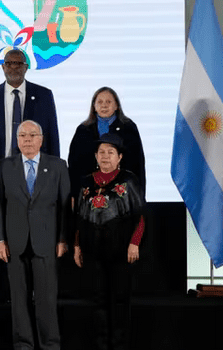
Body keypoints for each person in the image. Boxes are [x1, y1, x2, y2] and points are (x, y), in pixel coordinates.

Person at [0, 120, 70, 350]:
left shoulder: (57, 165)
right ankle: (23, 344)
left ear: (41, 138)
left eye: (32, 134)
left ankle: (50, 344)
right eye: (22, 135)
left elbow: (66, 206)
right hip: (14, 242)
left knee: (46, 299)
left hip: (46, 241)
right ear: (17, 140)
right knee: (19, 299)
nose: (27, 139)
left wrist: (63, 238)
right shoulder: (4, 166)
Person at [73, 133, 145, 350]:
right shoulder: (85, 182)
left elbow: (140, 215)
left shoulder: (129, 180)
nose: (105, 157)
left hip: (122, 251)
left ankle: (119, 345)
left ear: (119, 157)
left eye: (110, 152)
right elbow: (79, 217)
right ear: (96, 155)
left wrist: (135, 242)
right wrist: (76, 246)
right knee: (98, 301)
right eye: (101, 152)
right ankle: (101, 345)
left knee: (120, 301)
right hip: (93, 251)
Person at [0, 48, 60, 187]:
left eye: (18, 64)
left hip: (36, 174)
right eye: (9, 63)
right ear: (3, 67)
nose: (13, 67)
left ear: (26, 67)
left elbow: (52, 138)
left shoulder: (44, 96)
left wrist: (55, 175)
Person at [67, 86, 145, 197]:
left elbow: (138, 164)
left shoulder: (128, 128)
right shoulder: (83, 130)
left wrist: (139, 196)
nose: (104, 105)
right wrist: (74, 194)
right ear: (94, 106)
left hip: (122, 192)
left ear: (116, 105)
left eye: (108, 102)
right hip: (89, 192)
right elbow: (74, 166)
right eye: (100, 102)